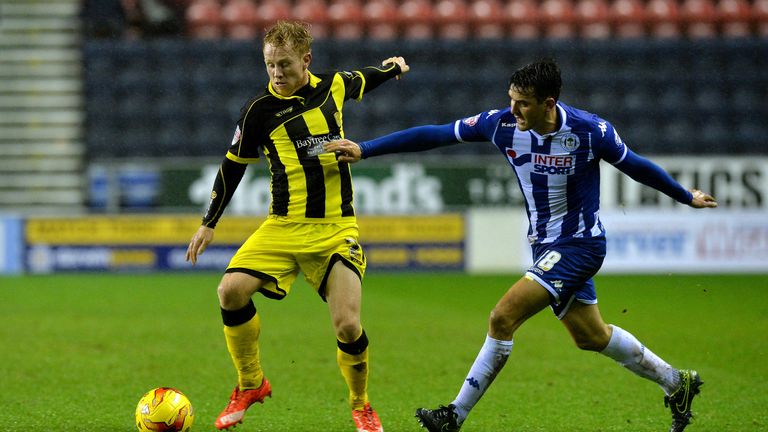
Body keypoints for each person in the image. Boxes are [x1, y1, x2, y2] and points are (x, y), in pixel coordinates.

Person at [324, 58, 717, 432]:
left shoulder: (590, 131)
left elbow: (635, 165)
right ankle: (676, 382)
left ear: (549, 104)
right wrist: (367, 147)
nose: (512, 110)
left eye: (522, 104)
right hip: (544, 247)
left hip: (580, 245)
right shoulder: (501, 124)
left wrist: (685, 196)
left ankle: (453, 416)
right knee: (590, 337)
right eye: (511, 99)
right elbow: (436, 134)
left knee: (502, 318)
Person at [185, 20, 408, 432]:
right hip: (282, 226)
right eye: (269, 65)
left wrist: (393, 68)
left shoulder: (335, 85)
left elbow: (367, 78)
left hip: (335, 228)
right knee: (230, 291)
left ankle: (361, 405)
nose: (276, 73)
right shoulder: (257, 112)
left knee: (347, 324)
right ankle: (250, 383)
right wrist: (208, 223)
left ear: (306, 60)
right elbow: (231, 168)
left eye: (284, 64)